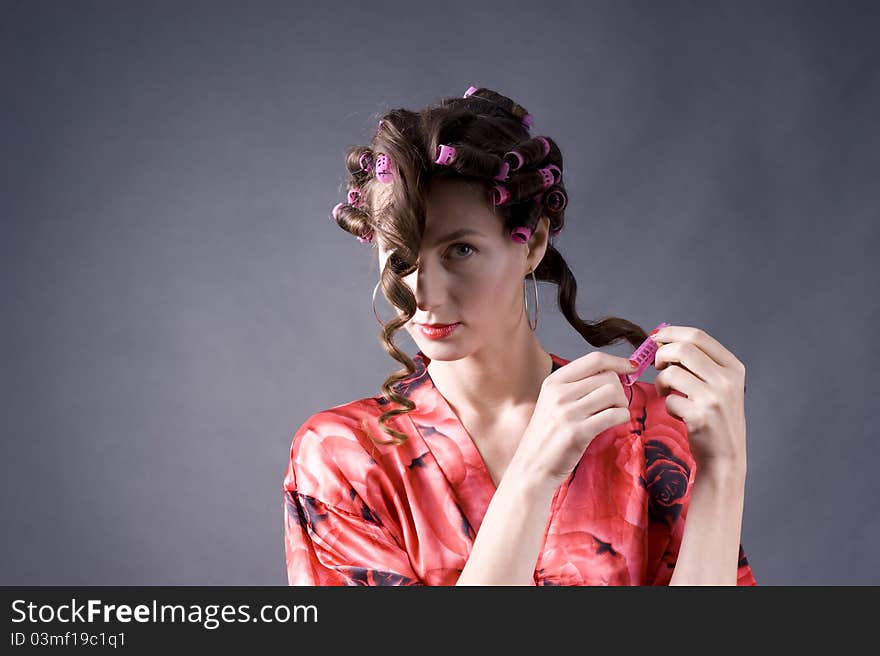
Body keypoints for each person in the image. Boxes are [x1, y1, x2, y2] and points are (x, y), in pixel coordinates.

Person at [282, 86, 757, 585]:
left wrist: (723, 470)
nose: (424, 293)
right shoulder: (342, 458)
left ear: (532, 242)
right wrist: (533, 477)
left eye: (459, 251)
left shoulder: (648, 434)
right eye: (400, 257)